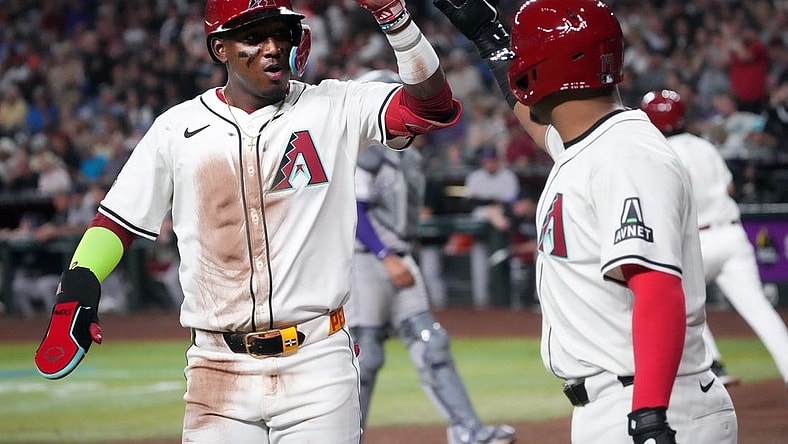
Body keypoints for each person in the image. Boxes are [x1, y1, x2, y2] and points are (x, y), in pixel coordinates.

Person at [34, 1, 461, 442]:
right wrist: (78, 285)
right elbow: (116, 221)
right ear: (220, 48)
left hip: (317, 361)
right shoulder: (176, 129)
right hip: (217, 370)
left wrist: (395, 18)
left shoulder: (336, 106)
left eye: (281, 34)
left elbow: (431, 107)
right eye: (254, 37)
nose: (272, 48)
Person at [434, 0, 737, 443]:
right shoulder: (594, 143)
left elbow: (656, 286)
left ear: (543, 68)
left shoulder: (625, 155)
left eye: (521, 54)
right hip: (621, 403)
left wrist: (649, 417)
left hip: (652, 404)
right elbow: (540, 129)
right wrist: (489, 39)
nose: (515, 63)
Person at [347, 69, 515, 444]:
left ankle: (468, 431)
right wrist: (386, 255)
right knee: (366, 355)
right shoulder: (365, 155)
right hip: (366, 260)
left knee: (432, 343)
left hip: (397, 257)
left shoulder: (405, 156)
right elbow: (354, 213)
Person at [641, 89, 788, 386]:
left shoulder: (660, 152)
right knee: (760, 310)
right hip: (732, 234)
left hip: (697, 242)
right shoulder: (703, 146)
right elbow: (730, 187)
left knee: (678, 303)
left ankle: (714, 366)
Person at [463, 146, 519, 308]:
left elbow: (509, 203)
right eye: (487, 161)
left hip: (502, 228)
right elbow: (470, 202)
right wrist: (491, 202)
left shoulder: (508, 176)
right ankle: (481, 309)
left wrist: (486, 201)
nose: (490, 164)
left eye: (492, 161)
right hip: (480, 225)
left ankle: (504, 306)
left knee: (501, 267)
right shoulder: (475, 177)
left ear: (498, 161)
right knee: (479, 270)